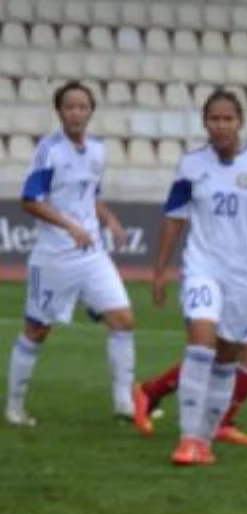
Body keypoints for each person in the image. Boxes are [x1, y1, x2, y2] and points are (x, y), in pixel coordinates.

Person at [135, 117, 247, 445]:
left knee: (242, 349)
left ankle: (205, 415)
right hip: (226, 274)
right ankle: (171, 402)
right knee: (241, 347)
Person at [7, 81, 137, 429]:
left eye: (82, 107)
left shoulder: (98, 150)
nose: (76, 113)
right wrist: (69, 226)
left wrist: (108, 218)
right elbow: (31, 200)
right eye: (69, 107)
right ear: (60, 112)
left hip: (91, 252)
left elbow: (87, 194)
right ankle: (15, 406)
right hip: (54, 257)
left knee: (123, 320)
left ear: (90, 111)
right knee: (36, 330)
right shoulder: (49, 151)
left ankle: (124, 403)